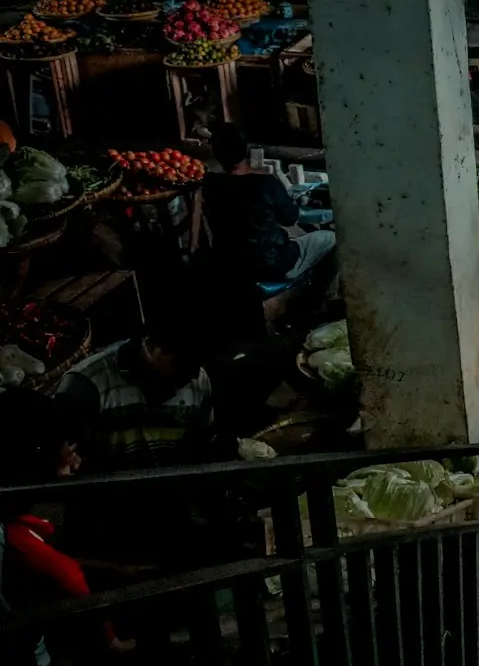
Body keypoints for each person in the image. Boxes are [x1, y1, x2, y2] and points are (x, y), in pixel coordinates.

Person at [55, 311, 213, 472]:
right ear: (153, 347)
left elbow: (201, 447)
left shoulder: (198, 382)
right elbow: (64, 463)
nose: (193, 377)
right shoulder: (87, 386)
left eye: (197, 366)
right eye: (184, 364)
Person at [203, 125, 336, 284]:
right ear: (246, 149)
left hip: (229, 264)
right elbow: (290, 218)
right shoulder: (266, 184)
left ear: (216, 153)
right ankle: (320, 298)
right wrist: (290, 200)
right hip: (272, 264)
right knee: (333, 238)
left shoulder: (210, 185)